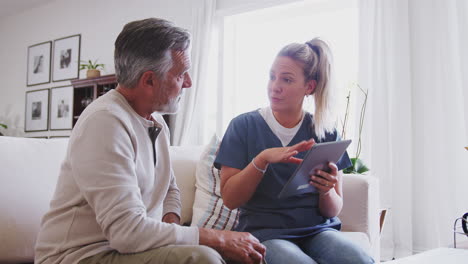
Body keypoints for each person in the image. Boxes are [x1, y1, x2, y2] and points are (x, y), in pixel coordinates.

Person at [35, 18, 265, 264]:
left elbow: (170, 190)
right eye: (181, 74)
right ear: (149, 81)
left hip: (123, 249)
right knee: (203, 258)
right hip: (78, 256)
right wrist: (217, 238)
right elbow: (127, 233)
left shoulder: (156, 120)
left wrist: (171, 232)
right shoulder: (105, 122)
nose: (188, 83)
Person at [214, 38, 375, 264]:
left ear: (309, 87)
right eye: (272, 76)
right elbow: (230, 199)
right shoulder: (243, 126)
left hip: (318, 231)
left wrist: (326, 190)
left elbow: (333, 210)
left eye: (287, 79)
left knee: (359, 260)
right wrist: (261, 160)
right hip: (266, 233)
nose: (275, 86)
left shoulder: (325, 132)